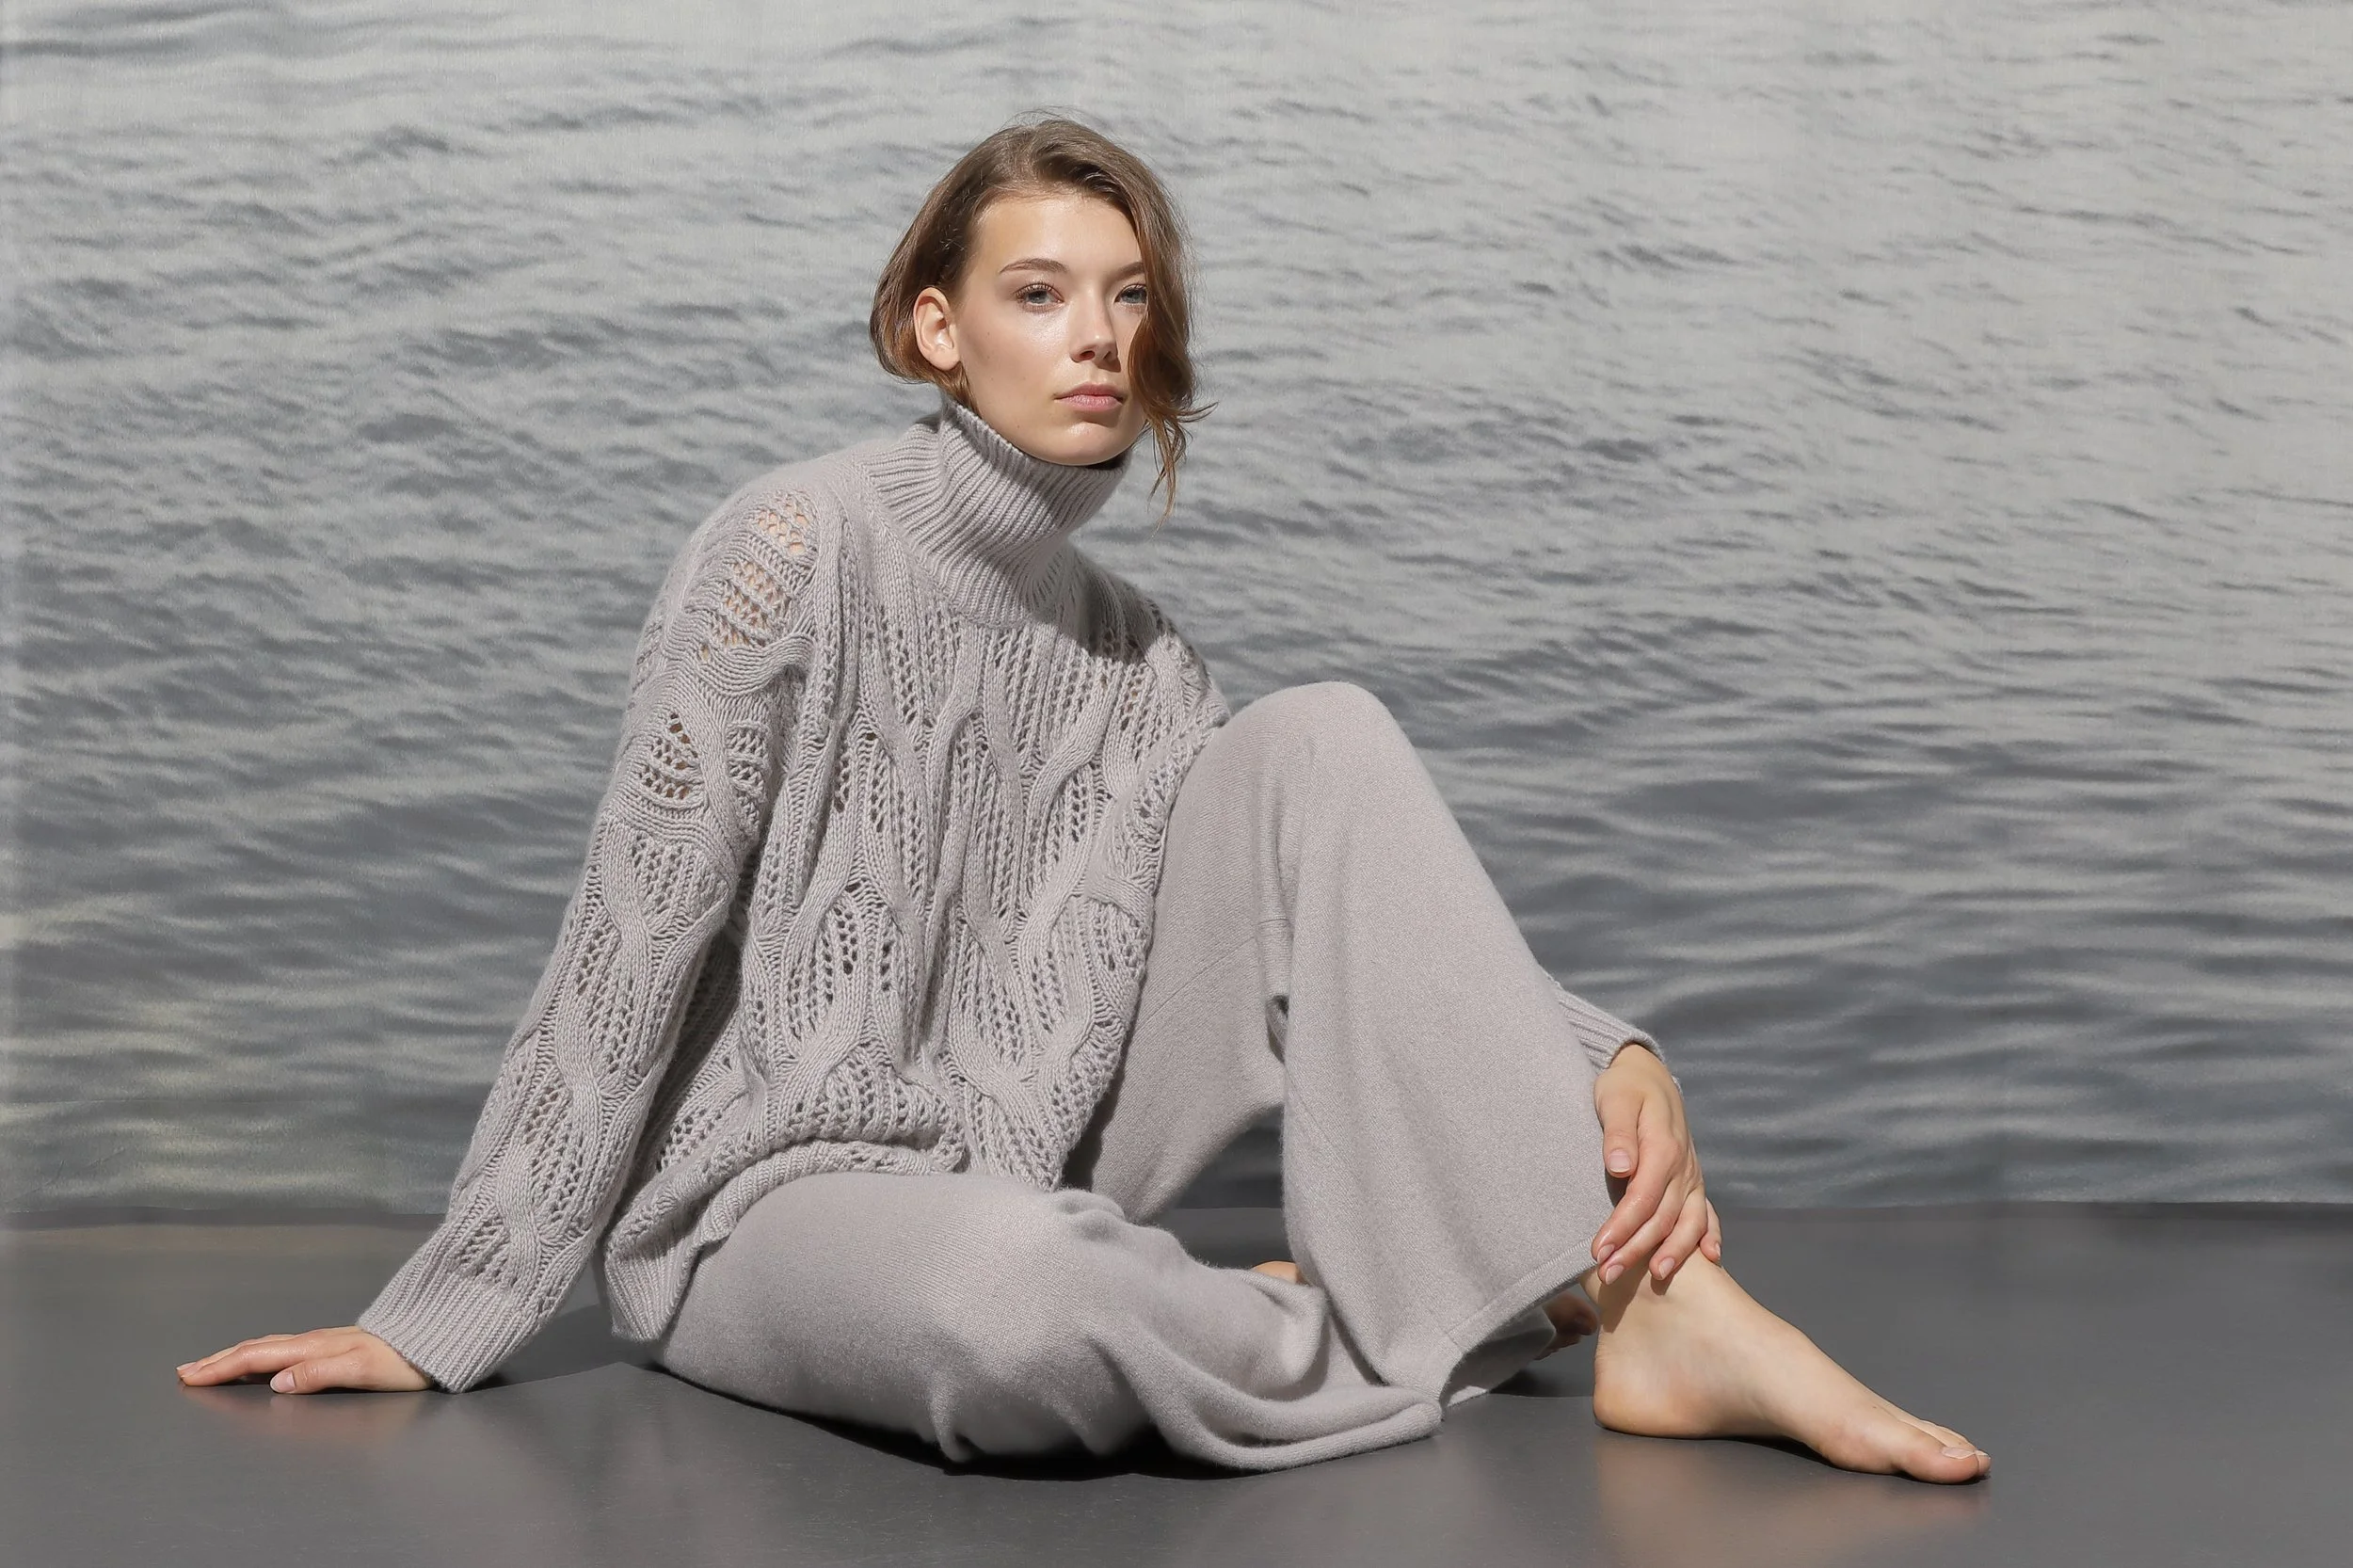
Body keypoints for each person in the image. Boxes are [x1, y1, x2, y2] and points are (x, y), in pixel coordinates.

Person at [177, 114, 1990, 1484]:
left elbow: (1323, 917)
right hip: (767, 1211)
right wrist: (449, 1309)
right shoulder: (787, 549)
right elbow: (624, 947)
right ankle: (1438, 1304)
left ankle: (1648, 1313)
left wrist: (1603, 1052)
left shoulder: (1146, 660)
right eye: (1038, 296)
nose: (1097, 338)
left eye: (1127, 299)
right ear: (934, 329)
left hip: (1027, 1157)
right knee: (1017, 1299)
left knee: (1325, 736)